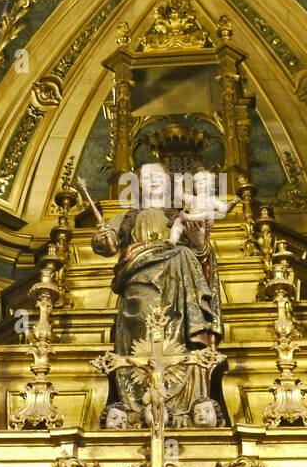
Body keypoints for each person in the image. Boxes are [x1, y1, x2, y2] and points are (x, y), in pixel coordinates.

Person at [91, 164, 225, 425]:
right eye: (146, 178)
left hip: (179, 288)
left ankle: (185, 409)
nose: (152, 181)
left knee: (180, 335)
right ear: (138, 184)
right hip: (139, 283)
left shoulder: (179, 216)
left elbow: (201, 258)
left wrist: (197, 243)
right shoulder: (129, 217)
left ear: (170, 185)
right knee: (142, 328)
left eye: (158, 177)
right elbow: (105, 246)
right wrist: (102, 237)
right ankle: (139, 405)